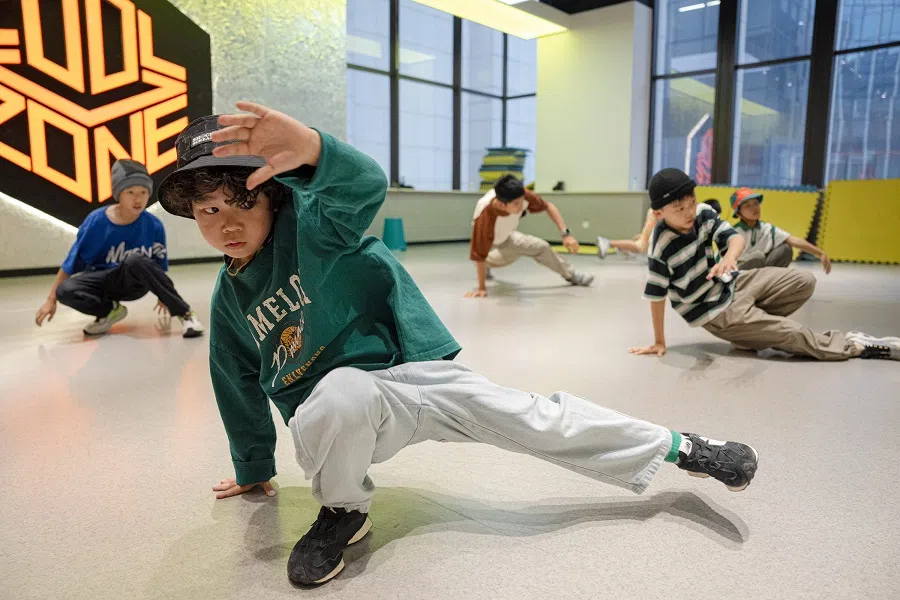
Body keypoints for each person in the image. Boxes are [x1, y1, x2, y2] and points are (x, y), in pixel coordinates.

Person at [157, 103, 761, 587]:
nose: (226, 224)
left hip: (411, 379)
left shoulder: (315, 225)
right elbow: (231, 378)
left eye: (242, 203)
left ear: (275, 196)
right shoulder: (230, 296)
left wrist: (314, 151)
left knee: (531, 415)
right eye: (208, 210)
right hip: (336, 416)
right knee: (341, 393)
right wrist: (255, 467)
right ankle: (343, 510)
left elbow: (363, 186)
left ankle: (683, 448)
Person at [628, 168, 898, 361]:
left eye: (692, 202)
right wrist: (659, 341)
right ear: (659, 213)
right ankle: (857, 345)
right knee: (793, 333)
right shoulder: (661, 246)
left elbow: (734, 240)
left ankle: (750, 334)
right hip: (713, 311)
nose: (689, 212)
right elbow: (656, 296)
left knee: (804, 281)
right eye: (679, 208)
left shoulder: (703, 214)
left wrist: (729, 259)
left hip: (733, 283)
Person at [34, 159, 204, 338]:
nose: (138, 199)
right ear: (119, 194)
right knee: (65, 290)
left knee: (136, 260)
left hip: (132, 284)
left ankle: (186, 315)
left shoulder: (153, 225)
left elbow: (158, 268)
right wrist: (50, 300)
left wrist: (164, 296)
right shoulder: (96, 222)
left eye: (143, 192)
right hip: (101, 281)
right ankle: (110, 311)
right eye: (130, 192)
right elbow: (70, 264)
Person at [467, 175, 593, 298]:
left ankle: (571, 275)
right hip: (490, 238)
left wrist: (566, 234)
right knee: (481, 258)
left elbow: (548, 206)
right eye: (516, 204)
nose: (522, 206)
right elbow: (478, 255)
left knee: (541, 247)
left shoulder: (521, 195)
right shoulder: (484, 218)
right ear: (501, 205)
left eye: (522, 201)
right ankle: (485, 267)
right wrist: (481, 288)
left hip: (507, 237)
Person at [731, 187, 831, 274]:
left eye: (756, 203)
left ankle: (767, 283)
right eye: (747, 205)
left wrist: (820, 253)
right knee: (758, 257)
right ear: (739, 214)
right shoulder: (734, 232)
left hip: (762, 270)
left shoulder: (767, 228)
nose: (754, 208)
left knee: (785, 249)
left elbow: (794, 240)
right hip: (740, 271)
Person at [596, 199, 721, 258]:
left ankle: (622, 247)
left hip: (659, 211)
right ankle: (608, 243)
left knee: (644, 241)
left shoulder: (694, 208)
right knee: (642, 245)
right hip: (660, 212)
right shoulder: (696, 213)